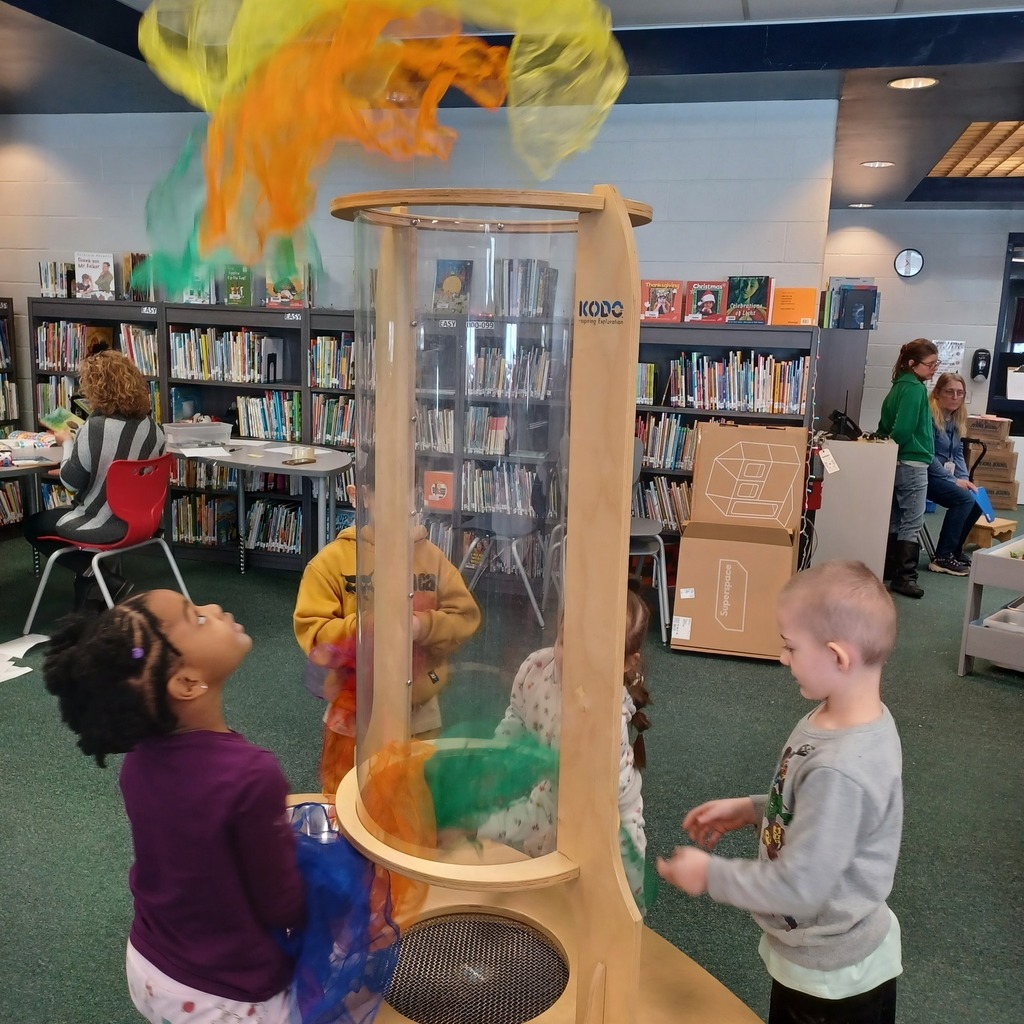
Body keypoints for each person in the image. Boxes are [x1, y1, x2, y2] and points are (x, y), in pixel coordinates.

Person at [42, 590, 306, 1024]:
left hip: (149, 963)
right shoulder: (251, 774)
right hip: (226, 995)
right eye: (198, 619)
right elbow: (282, 905)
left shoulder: (137, 762)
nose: (215, 608)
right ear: (186, 684)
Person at [657, 560, 903, 1024]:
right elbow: (813, 811)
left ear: (838, 656)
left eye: (791, 647)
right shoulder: (840, 717)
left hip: (833, 983)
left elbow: (799, 887)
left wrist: (711, 875)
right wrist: (755, 809)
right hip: (815, 956)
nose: (782, 658)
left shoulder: (842, 770)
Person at [293, 466, 481, 794]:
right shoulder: (331, 562)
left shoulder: (432, 559)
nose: (395, 503)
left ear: (418, 499)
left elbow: (465, 616)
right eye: (384, 492)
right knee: (346, 795)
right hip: (354, 708)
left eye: (405, 494)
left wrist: (423, 626)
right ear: (362, 495)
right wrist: (368, 628)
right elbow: (313, 630)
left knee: (418, 796)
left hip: (418, 708)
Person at [475, 589, 653, 910]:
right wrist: (498, 755)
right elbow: (517, 713)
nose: (570, 658)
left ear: (627, 662)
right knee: (542, 893)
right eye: (563, 642)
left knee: (602, 905)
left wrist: (484, 826)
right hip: (553, 796)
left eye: (590, 655)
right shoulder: (537, 668)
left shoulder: (603, 720)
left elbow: (553, 805)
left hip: (605, 822)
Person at [23, 350, 164, 607]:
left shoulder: (95, 427)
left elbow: (70, 482)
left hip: (103, 523)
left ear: (97, 389)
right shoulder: (153, 429)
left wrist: (67, 443)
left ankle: (96, 574)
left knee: (33, 525)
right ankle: (94, 589)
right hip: (144, 523)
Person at [876, 338, 939, 598]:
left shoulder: (898, 386)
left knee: (895, 518)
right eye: (930, 364)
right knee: (912, 520)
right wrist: (897, 442)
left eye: (937, 363)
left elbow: (885, 426)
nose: (934, 369)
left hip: (898, 461)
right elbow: (902, 429)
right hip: (913, 460)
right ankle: (905, 577)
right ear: (913, 364)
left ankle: (890, 569)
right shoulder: (914, 389)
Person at [926, 372, 982, 576]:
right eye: (950, 391)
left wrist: (965, 479)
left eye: (960, 393)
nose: (955, 397)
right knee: (963, 500)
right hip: (928, 475)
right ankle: (942, 557)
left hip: (946, 476)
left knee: (975, 500)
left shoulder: (956, 417)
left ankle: (955, 552)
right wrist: (953, 480)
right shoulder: (930, 417)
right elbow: (928, 456)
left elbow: (958, 453)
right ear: (938, 393)